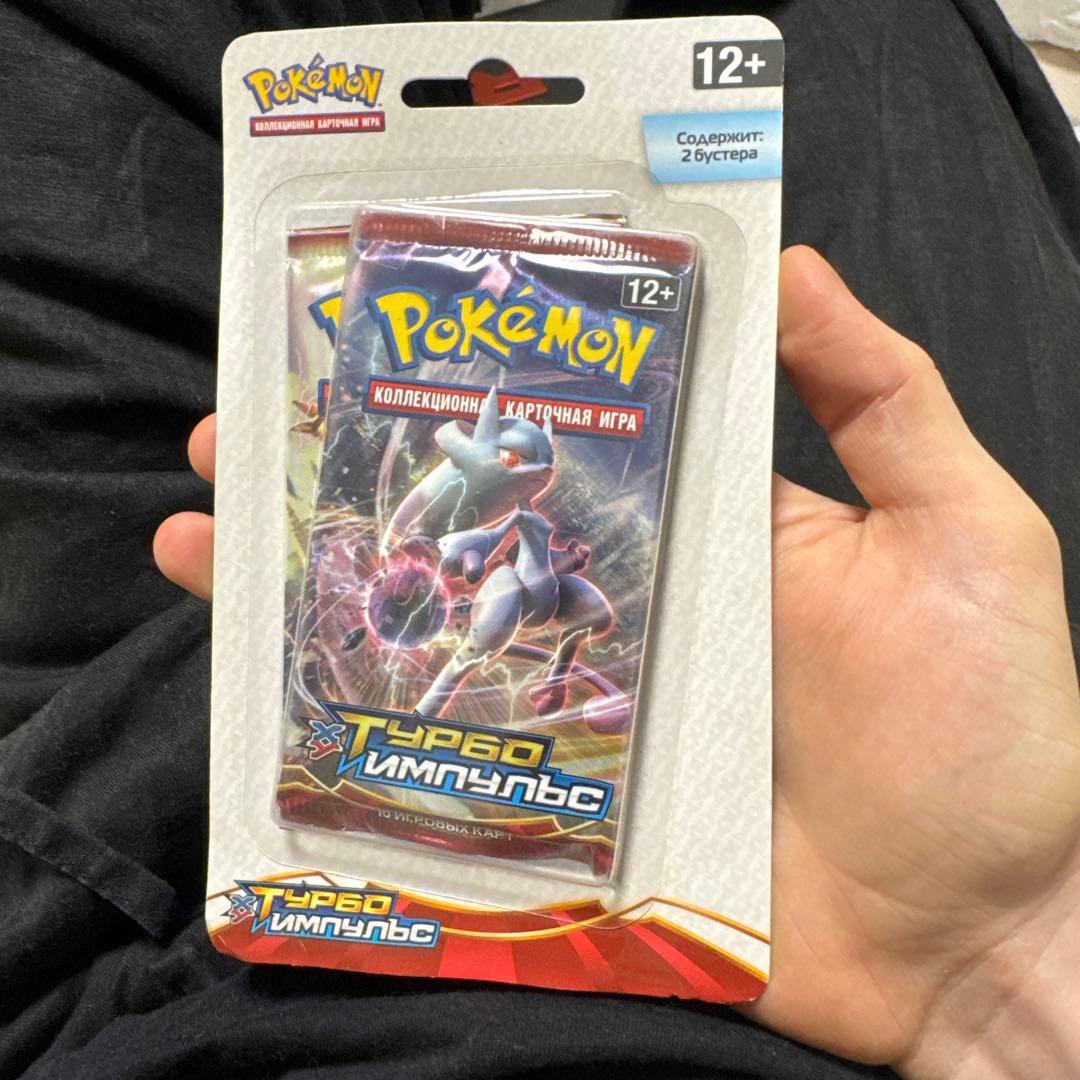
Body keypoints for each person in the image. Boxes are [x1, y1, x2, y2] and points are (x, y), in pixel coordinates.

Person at [155, 246, 1080, 1079]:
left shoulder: (523, 516)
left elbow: (502, 519)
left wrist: (1017, 933)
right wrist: (1014, 947)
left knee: (520, 628)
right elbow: (448, 473)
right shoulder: (463, 485)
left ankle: (475, 685)